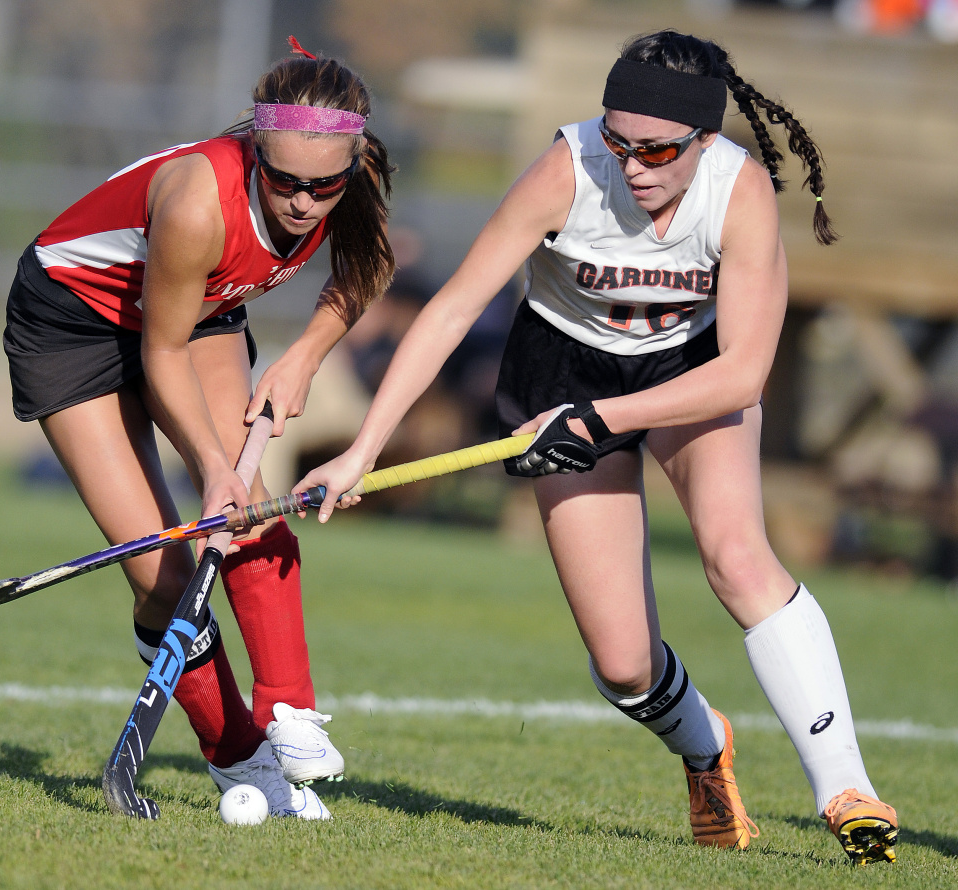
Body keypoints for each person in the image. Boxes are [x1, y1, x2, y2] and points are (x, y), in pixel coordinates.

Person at [295, 29, 899, 862]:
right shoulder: (568, 170)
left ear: (704, 140)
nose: (634, 165)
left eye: (656, 149)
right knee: (622, 665)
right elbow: (453, 308)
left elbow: (745, 372)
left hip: (695, 372)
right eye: (619, 140)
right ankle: (701, 746)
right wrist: (366, 447)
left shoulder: (740, 193)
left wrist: (610, 417)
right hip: (562, 372)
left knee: (736, 556)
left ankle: (847, 791)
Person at [2, 37, 395, 819]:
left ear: (352, 162)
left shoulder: (351, 175)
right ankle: (238, 755)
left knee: (247, 509)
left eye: (324, 186)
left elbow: (366, 267)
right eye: (283, 181)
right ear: (255, 146)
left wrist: (304, 358)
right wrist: (211, 464)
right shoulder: (195, 202)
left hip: (202, 307)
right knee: (164, 573)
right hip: (77, 324)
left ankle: (289, 715)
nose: (303, 203)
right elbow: (162, 351)